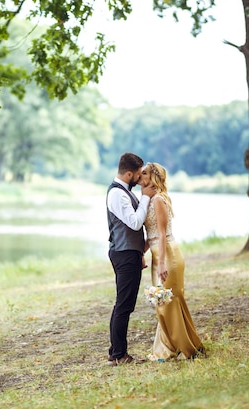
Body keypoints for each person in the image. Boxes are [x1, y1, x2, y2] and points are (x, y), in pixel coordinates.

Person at [142, 162, 205, 362]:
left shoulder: (158, 200)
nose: (139, 176)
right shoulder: (149, 199)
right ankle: (171, 345)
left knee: (168, 301)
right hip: (156, 254)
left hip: (167, 255)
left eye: (143, 173)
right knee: (162, 301)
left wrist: (161, 264)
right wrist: (140, 253)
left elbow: (161, 234)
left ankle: (182, 347)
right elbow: (150, 235)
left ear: (152, 177)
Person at [106, 152, 157, 366]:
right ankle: (118, 354)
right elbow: (135, 223)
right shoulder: (118, 194)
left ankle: (116, 353)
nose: (140, 178)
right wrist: (146, 197)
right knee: (124, 306)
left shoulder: (124, 192)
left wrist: (140, 252)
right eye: (138, 174)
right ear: (128, 173)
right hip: (124, 254)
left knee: (124, 305)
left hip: (130, 253)